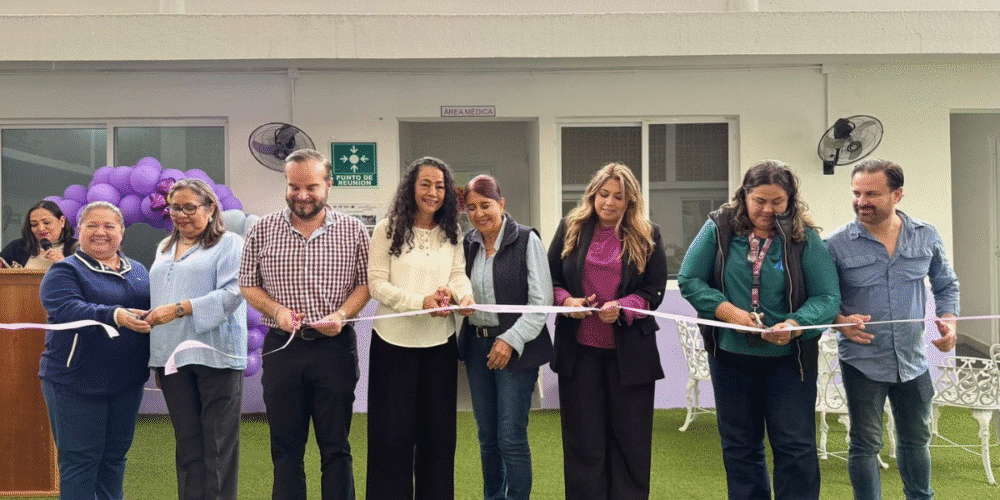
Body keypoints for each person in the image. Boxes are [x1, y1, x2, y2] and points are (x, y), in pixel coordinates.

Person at [677, 160, 840, 500]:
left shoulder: (806, 237)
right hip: (730, 358)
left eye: (777, 202)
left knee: (795, 446)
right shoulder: (718, 227)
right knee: (740, 446)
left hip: (789, 361)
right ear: (744, 196)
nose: (767, 210)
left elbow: (827, 297)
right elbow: (689, 279)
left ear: (790, 200)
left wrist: (794, 325)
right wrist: (730, 313)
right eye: (759, 201)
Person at [239, 149, 371, 500]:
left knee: (336, 446)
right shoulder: (262, 229)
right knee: (285, 448)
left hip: (335, 349)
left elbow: (365, 284)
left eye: (311, 186)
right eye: (294, 186)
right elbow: (248, 284)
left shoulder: (354, 230)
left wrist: (342, 315)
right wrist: (276, 310)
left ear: (328, 185)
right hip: (283, 349)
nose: (302, 195)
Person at [826, 159, 959, 500]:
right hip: (862, 360)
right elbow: (823, 298)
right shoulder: (836, 243)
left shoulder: (926, 235)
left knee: (916, 439)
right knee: (865, 443)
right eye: (856, 193)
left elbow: (946, 284)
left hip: (913, 360)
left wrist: (949, 321)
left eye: (871, 194)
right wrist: (840, 321)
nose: (861, 201)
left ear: (897, 194)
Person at [548, 162, 668, 500]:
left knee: (630, 442)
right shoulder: (570, 228)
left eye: (618, 196)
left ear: (630, 201)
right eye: (604, 194)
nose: (609, 202)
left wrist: (622, 307)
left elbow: (653, 292)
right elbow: (550, 280)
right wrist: (567, 301)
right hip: (579, 354)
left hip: (631, 358)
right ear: (592, 194)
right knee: (583, 442)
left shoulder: (648, 234)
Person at [367, 156, 474, 500]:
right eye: (425, 184)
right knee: (390, 439)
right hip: (392, 347)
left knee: (438, 440)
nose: (433, 192)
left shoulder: (452, 232)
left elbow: (457, 275)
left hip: (439, 347)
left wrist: (462, 296)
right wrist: (420, 302)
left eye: (440, 186)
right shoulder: (386, 229)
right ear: (410, 188)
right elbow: (377, 285)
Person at [38, 201, 152, 500]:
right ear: (79, 230)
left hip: (127, 382)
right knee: (80, 462)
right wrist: (115, 314)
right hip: (74, 382)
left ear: (122, 232)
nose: (101, 232)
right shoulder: (64, 271)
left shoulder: (139, 271)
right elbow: (67, 308)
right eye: (92, 225)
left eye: (109, 226)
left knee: (114, 458)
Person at [146, 178, 247, 500]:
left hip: (216, 355)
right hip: (172, 358)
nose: (181, 214)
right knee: (187, 444)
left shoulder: (230, 243)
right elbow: (160, 299)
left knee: (217, 447)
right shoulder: (164, 247)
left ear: (210, 208)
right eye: (175, 208)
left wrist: (180, 309)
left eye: (190, 207)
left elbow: (234, 293)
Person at [460, 175, 553, 500]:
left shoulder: (527, 240)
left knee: (511, 435)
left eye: (485, 205)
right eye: (471, 207)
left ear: (501, 204)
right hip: (477, 347)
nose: (478, 214)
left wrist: (510, 340)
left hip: (517, 348)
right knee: (487, 435)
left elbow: (541, 302)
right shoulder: (467, 244)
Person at [1, 199, 77, 268]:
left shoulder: (77, 248)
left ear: (62, 221)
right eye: (34, 224)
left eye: (46, 222)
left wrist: (64, 262)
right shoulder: (16, 247)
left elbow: (83, 276)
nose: (41, 228)